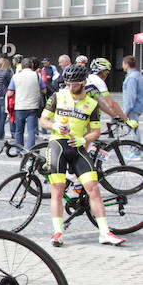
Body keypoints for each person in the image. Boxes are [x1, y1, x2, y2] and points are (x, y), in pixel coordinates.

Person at [40, 64, 125, 246]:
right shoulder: (57, 96)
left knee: (93, 188)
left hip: (78, 147)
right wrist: (54, 126)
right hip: (57, 145)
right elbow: (43, 119)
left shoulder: (92, 104)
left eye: (75, 84)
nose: (70, 87)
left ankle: (105, 233)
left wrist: (83, 139)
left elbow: (95, 131)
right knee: (58, 189)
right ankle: (58, 233)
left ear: (84, 83)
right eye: (68, 84)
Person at [85, 58, 138, 133]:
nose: (107, 75)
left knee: (89, 135)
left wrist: (115, 115)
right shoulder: (98, 81)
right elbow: (111, 103)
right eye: (107, 72)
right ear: (103, 72)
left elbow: (99, 103)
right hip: (79, 112)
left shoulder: (90, 79)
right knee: (92, 135)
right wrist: (127, 120)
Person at [6, 57, 46, 149]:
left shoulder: (15, 77)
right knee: (31, 130)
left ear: (22, 66)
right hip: (33, 106)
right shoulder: (37, 76)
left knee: (19, 130)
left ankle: (19, 150)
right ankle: (31, 150)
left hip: (19, 106)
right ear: (31, 65)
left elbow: (10, 93)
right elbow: (44, 90)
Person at [121, 56, 143, 160]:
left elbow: (131, 96)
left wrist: (125, 111)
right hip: (137, 106)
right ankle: (135, 150)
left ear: (126, 64)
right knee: (134, 129)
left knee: (133, 130)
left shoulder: (131, 78)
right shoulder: (137, 75)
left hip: (132, 108)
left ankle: (136, 152)